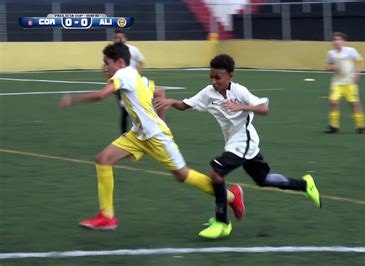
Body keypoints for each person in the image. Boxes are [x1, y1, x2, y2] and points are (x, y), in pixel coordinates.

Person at [58, 43, 244, 231]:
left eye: (107, 63)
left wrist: (72, 99)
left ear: (120, 62)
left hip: (155, 137)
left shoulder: (122, 74)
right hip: (138, 135)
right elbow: (159, 92)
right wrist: (160, 120)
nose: (104, 68)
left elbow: (101, 96)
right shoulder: (136, 76)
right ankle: (107, 216)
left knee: (183, 175)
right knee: (103, 160)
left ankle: (231, 197)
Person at [156, 54, 322, 239]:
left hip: (244, 140)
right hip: (234, 143)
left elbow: (264, 108)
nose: (213, 81)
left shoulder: (239, 91)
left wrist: (241, 107)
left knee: (216, 174)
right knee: (263, 180)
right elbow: (186, 104)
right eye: (211, 76)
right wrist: (171, 102)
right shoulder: (208, 93)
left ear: (230, 76)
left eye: (218, 77)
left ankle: (222, 223)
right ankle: (305, 184)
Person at [113, 30, 167, 133]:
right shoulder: (112, 53)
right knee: (125, 111)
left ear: (125, 39)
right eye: (116, 38)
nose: (119, 40)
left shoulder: (132, 50)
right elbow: (107, 68)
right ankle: (124, 134)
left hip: (137, 83)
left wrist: (137, 73)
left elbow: (141, 60)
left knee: (160, 92)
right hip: (122, 86)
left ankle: (161, 124)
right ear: (113, 39)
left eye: (121, 37)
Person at [325, 32, 365, 134]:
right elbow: (327, 67)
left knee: (354, 104)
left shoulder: (350, 51)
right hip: (336, 83)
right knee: (333, 102)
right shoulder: (331, 53)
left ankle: (361, 127)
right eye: (334, 39)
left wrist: (357, 73)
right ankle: (333, 127)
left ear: (344, 41)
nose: (336, 41)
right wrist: (331, 67)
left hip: (349, 83)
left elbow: (359, 60)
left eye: (339, 39)